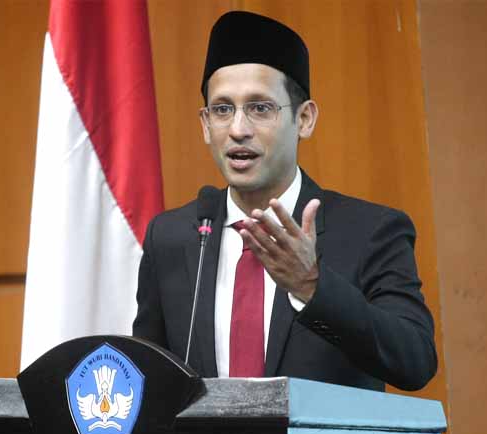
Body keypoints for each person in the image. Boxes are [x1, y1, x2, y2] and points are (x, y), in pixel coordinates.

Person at [132, 11, 437, 392]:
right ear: (206, 124)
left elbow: (415, 361)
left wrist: (313, 287)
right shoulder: (171, 237)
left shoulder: (370, 232)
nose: (238, 129)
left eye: (260, 108)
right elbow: (148, 377)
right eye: (223, 109)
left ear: (304, 119)